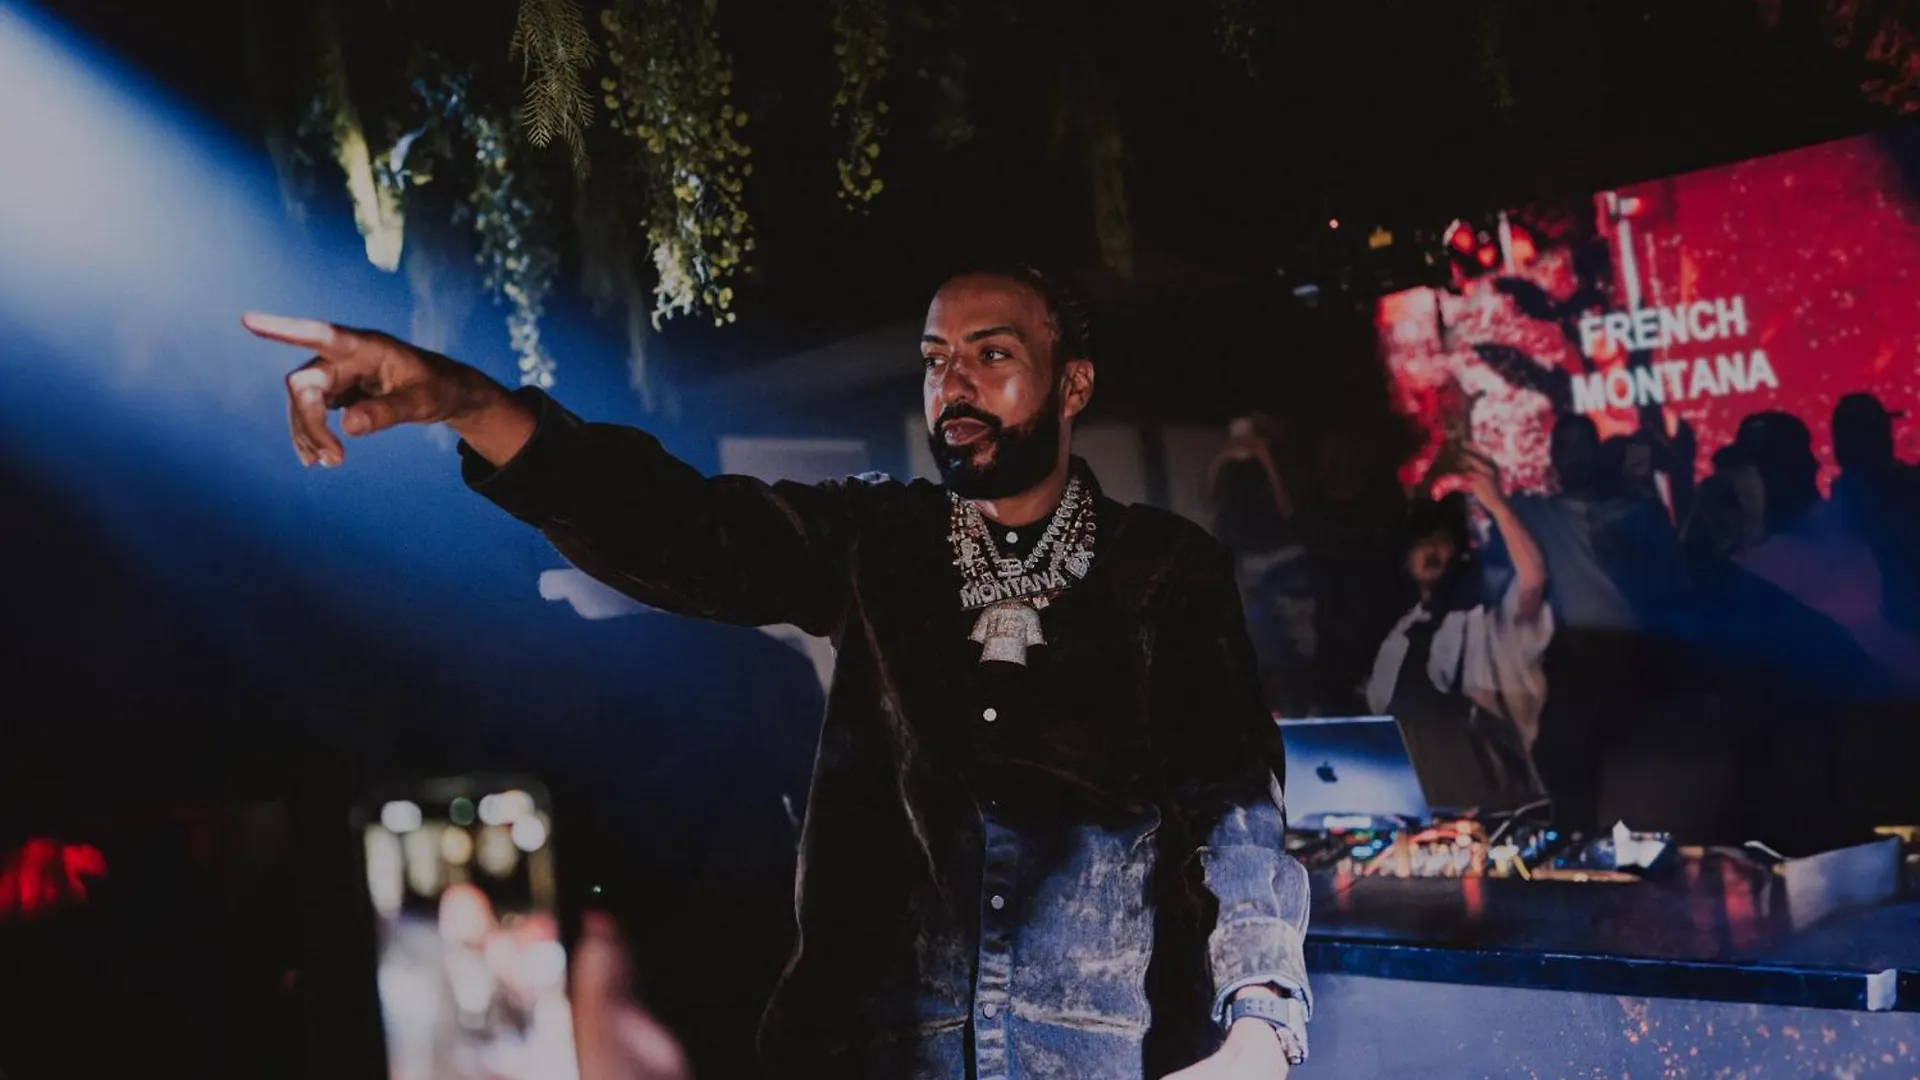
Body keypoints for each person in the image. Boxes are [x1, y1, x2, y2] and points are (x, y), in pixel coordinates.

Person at [242, 263, 1311, 1080]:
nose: (954, 383)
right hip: (870, 1051)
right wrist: (466, 401)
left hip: (1090, 1050)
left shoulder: (1164, 572)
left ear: (1072, 382)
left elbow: (1234, 804)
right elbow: (678, 528)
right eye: (936, 358)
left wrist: (1260, 1021)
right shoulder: (879, 543)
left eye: (991, 354)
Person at [1364, 452, 1552, 816]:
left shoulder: (1491, 621)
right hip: (1421, 812)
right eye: (1423, 541)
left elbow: (1532, 581)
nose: (1433, 549)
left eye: (1443, 540)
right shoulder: (1399, 637)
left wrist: (1497, 504)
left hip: (1498, 812)